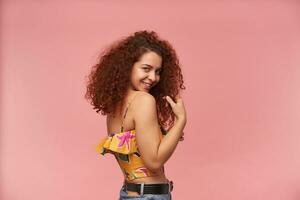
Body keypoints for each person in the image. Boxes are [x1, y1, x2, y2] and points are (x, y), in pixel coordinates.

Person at [85, 30, 186, 200]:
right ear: (127, 67)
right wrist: (181, 120)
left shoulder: (115, 107)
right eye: (146, 68)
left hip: (129, 194)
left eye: (158, 71)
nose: (153, 77)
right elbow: (154, 161)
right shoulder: (143, 101)